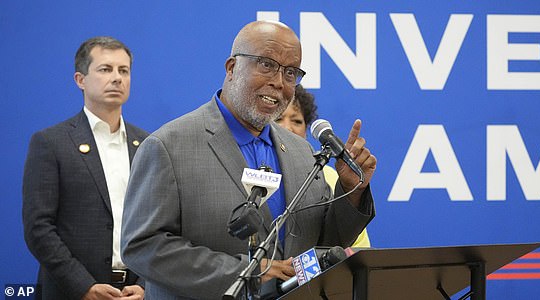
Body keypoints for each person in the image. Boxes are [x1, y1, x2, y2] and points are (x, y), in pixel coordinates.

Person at [121, 20, 377, 299]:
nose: (278, 82)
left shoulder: (302, 152)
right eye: (266, 64)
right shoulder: (168, 146)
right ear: (232, 68)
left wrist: (352, 191)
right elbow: (142, 246)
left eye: (290, 73)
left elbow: (326, 243)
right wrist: (245, 273)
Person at [22, 36, 148, 300]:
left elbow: (159, 225)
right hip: (71, 291)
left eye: (123, 71)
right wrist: (83, 286)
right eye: (105, 69)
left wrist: (146, 284)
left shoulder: (148, 144)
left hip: (134, 292)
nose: (117, 78)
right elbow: (39, 228)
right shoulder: (51, 143)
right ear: (80, 80)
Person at [276, 85, 371, 247]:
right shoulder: (255, 170)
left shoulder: (330, 176)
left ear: (306, 131)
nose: (287, 128)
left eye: (297, 121)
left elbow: (357, 246)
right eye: (278, 118)